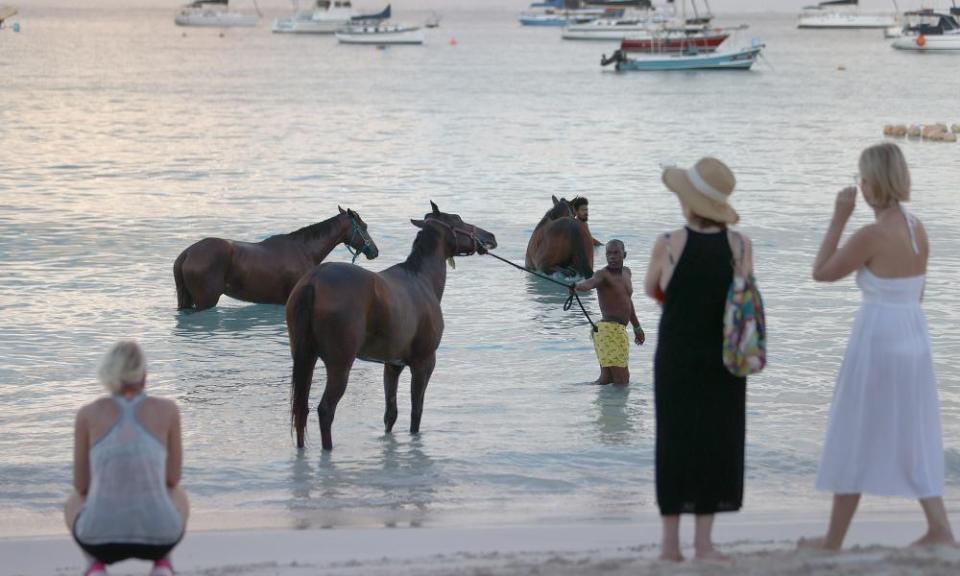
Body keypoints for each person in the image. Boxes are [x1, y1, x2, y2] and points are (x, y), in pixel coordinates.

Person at [801, 142, 954, 551]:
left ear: (872, 183)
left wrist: (838, 218)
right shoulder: (916, 228)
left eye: (862, 178)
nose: (860, 185)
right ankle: (940, 527)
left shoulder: (872, 234)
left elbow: (821, 272)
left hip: (879, 337)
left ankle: (833, 539)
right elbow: (916, 294)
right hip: (913, 335)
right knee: (914, 430)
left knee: (855, 429)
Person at [643, 157, 751, 562]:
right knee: (717, 442)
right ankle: (704, 544)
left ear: (688, 204)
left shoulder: (668, 244)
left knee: (674, 442)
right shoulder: (740, 246)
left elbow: (654, 289)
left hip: (676, 356)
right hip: (725, 357)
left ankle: (670, 546)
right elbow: (742, 301)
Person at [65, 341, 188, 576]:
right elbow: (172, 478)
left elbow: (81, 485)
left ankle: (94, 565)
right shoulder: (168, 410)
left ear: (109, 373)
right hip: (160, 538)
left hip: (98, 541)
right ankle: (162, 563)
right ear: (144, 373)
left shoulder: (87, 414)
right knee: (178, 492)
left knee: (74, 499)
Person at [573, 239, 645, 385]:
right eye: (608, 253)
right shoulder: (602, 275)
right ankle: (617, 407)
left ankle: (577, 395)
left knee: (607, 379)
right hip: (608, 330)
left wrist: (637, 327)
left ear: (624, 254)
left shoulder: (627, 273)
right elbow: (589, 283)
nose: (612, 256)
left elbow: (628, 302)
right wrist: (577, 286)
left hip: (619, 330)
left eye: (616, 253)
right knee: (622, 381)